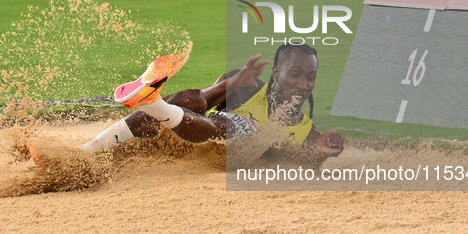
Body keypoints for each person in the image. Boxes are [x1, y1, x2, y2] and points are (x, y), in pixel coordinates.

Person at [75, 44, 343, 158]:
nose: (303, 84)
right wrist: (232, 84)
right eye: (294, 74)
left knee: (236, 128)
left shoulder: (308, 131)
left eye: (311, 77)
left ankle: (151, 102)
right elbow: (201, 100)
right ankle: (88, 152)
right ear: (276, 73)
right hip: (188, 132)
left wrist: (327, 148)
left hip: (218, 147)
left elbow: (302, 161)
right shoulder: (248, 86)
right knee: (189, 98)